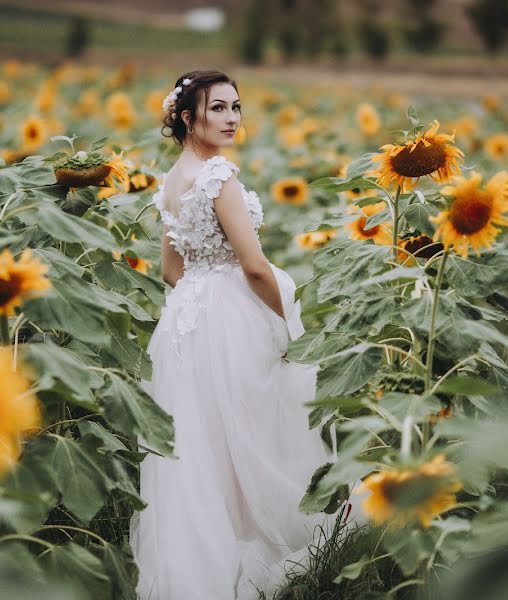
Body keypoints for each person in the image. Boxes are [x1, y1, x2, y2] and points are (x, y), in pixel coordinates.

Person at [129, 70, 338, 599]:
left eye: (235, 107)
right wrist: (285, 325)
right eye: (217, 108)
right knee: (253, 429)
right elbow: (255, 267)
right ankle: (257, 543)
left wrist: (200, 297)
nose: (231, 118)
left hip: (186, 322)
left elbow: (170, 270)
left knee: (203, 442)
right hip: (231, 316)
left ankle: (205, 558)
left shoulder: (173, 179)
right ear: (186, 117)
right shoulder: (218, 176)